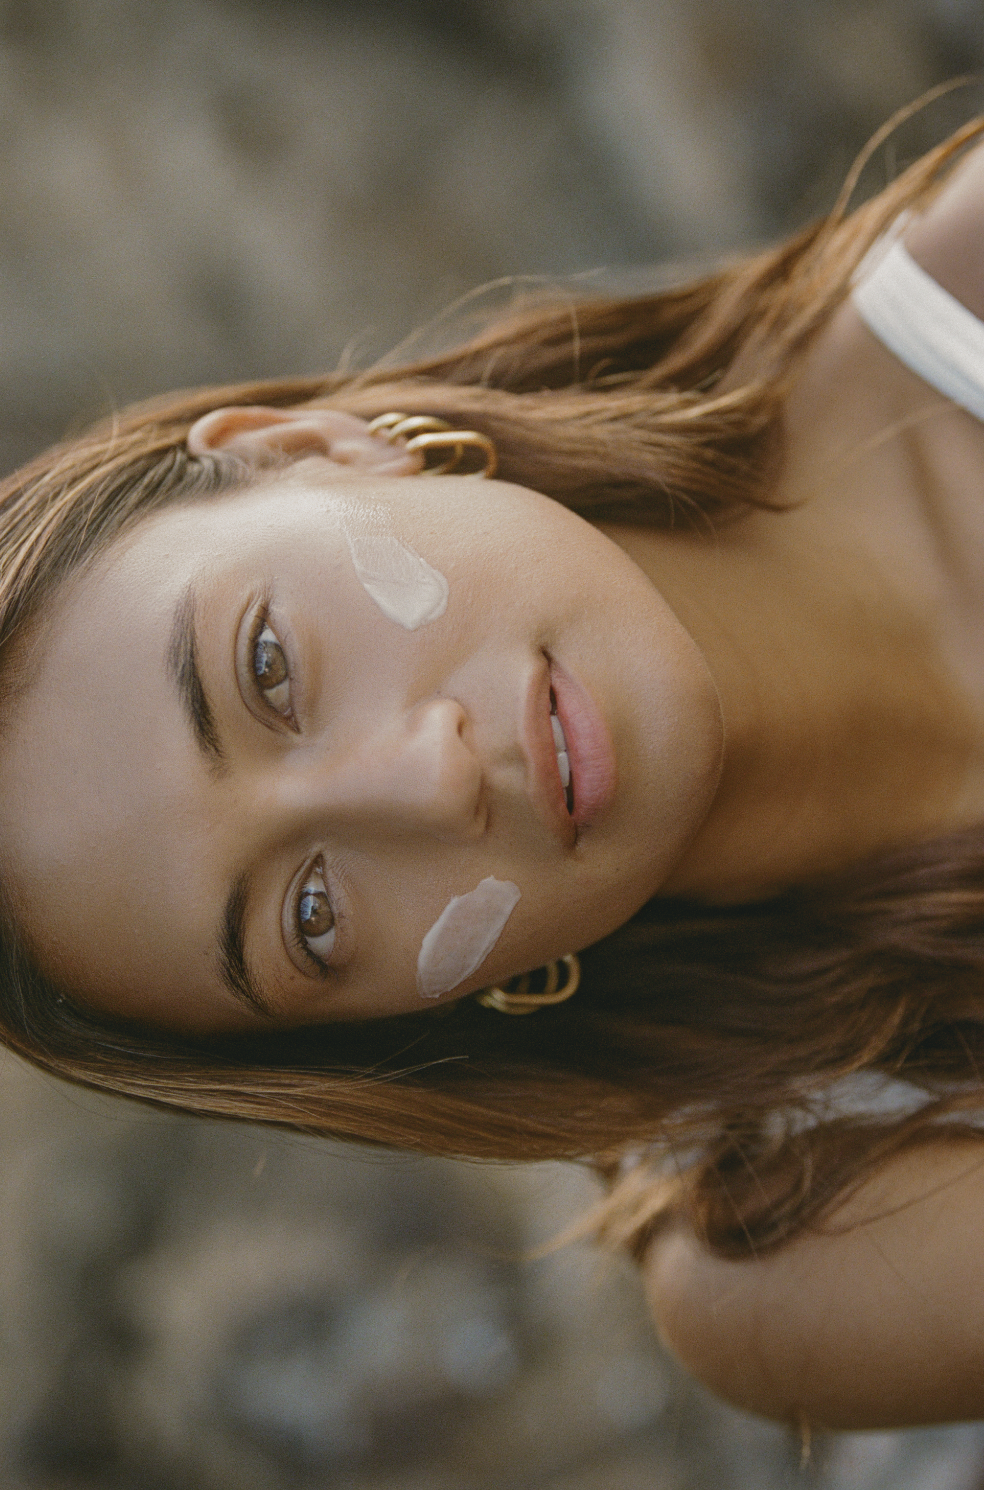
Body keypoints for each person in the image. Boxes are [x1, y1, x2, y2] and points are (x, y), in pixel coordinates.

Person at [3, 113, 984, 1432]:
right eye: (310, 913)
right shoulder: (806, 1236)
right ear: (418, 1017)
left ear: (319, 449)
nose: (427, 784)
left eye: (272, 667)